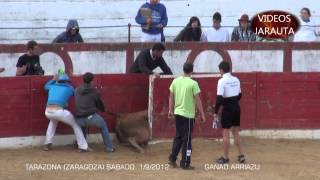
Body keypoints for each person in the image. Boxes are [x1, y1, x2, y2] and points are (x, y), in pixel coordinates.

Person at [168, 62, 206, 170]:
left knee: (178, 137)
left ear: (183, 69)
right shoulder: (193, 83)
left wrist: (170, 110)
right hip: (188, 116)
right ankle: (185, 163)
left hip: (178, 113)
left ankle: (172, 159)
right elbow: (198, 100)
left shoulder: (175, 81)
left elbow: (171, 96)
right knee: (187, 140)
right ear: (192, 71)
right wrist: (202, 114)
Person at [43, 73, 90, 152]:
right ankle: (83, 146)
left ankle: (47, 144)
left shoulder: (52, 86)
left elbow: (45, 87)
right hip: (58, 111)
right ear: (66, 82)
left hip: (47, 111)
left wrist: (53, 80)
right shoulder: (70, 88)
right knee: (76, 124)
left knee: (53, 122)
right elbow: (74, 94)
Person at [74, 72, 115, 153]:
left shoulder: (77, 89)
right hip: (90, 117)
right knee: (103, 125)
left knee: (83, 127)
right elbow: (99, 104)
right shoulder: (94, 91)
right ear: (92, 81)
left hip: (78, 119)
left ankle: (82, 147)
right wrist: (103, 109)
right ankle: (109, 147)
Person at [214, 61, 245, 164]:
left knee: (226, 133)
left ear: (221, 70)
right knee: (236, 132)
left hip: (228, 108)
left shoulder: (221, 81)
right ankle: (241, 155)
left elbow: (219, 99)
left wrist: (216, 112)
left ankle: (225, 157)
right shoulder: (236, 79)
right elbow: (240, 95)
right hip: (236, 107)